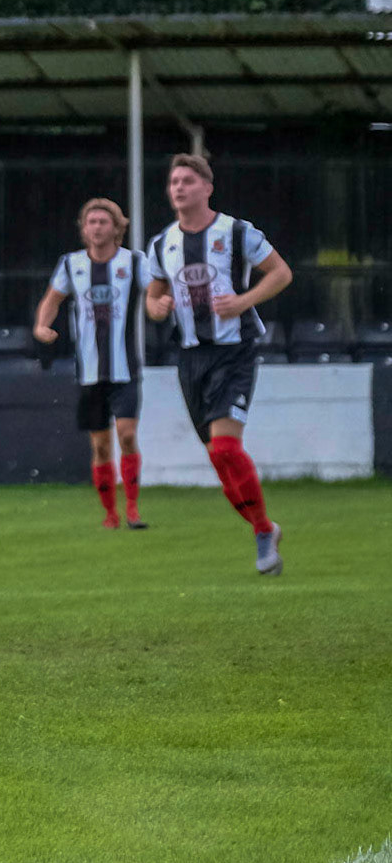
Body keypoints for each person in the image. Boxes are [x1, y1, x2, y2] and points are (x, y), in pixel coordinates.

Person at [145, 154, 293, 576]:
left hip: (234, 352)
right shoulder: (162, 243)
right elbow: (152, 300)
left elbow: (281, 273)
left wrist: (243, 301)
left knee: (227, 447)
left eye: (188, 180)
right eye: (173, 181)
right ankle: (265, 527)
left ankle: (263, 535)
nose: (178, 187)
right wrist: (158, 306)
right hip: (190, 358)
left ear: (207, 187)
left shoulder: (237, 231)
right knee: (218, 459)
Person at [34, 198, 150, 530]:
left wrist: (161, 301)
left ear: (117, 228)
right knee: (100, 444)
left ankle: (132, 509)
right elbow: (51, 299)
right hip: (89, 371)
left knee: (127, 436)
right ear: (84, 230)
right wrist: (42, 325)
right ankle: (110, 514)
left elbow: (155, 289)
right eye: (91, 222)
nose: (96, 227)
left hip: (125, 369)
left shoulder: (134, 262)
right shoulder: (71, 264)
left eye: (103, 221)